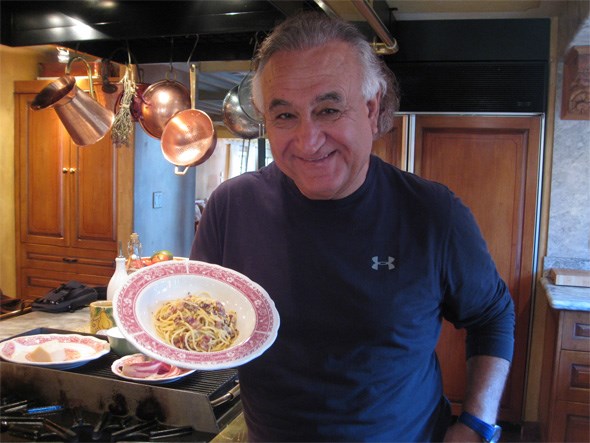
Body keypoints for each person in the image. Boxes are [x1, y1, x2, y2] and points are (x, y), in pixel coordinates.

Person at [190, 11, 514, 442]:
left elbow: (492, 315)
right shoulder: (230, 207)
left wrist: (476, 424)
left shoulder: (434, 214)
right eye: (285, 115)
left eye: (328, 109)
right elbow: (198, 315)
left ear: (371, 107)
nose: (308, 142)